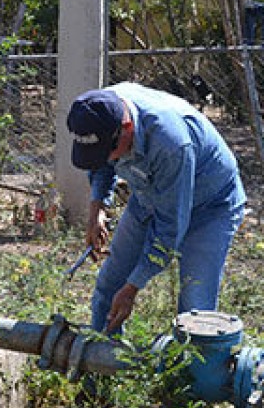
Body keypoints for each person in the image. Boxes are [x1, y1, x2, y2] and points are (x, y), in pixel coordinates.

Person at [66, 82, 246, 335]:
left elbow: (170, 229)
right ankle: (101, 360)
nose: (107, 158)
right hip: (147, 195)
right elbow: (100, 161)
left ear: (127, 128)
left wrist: (133, 288)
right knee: (109, 284)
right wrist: (97, 210)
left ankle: (192, 372)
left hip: (210, 206)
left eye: (109, 151)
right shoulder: (100, 112)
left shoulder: (171, 144)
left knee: (194, 307)